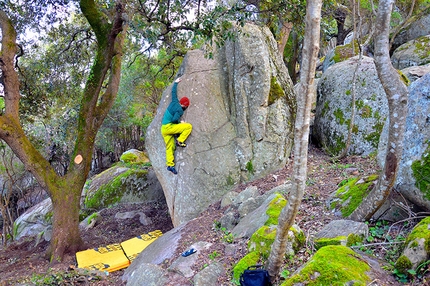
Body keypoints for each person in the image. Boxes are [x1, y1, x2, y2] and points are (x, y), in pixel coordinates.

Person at [161, 77, 192, 174]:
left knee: (169, 147)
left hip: (163, 128)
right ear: (185, 106)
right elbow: (174, 119)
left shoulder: (174, 101)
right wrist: (180, 123)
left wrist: (175, 83)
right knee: (188, 126)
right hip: (169, 127)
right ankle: (180, 140)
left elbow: (173, 93)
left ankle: (170, 165)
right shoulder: (179, 110)